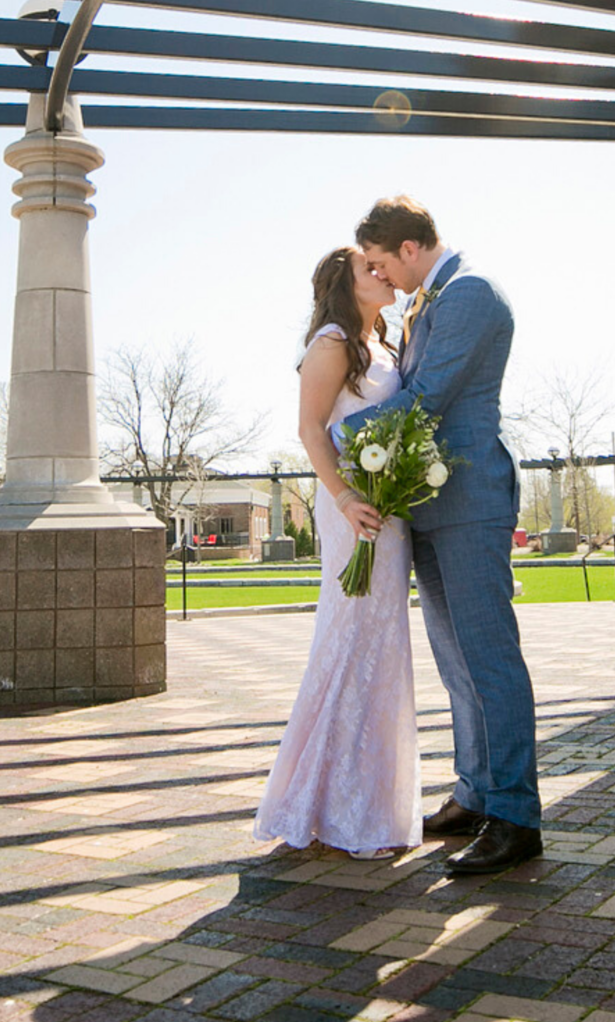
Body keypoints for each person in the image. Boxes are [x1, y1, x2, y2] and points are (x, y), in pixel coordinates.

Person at [342, 195, 541, 874]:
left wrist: (335, 433)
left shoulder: (470, 293)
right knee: (456, 662)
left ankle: (515, 813)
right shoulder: (431, 299)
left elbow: (426, 395)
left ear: (408, 247)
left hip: (472, 500)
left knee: (489, 657)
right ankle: (474, 790)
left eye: (380, 263)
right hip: (431, 503)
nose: (383, 278)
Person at [254, 244, 420, 857]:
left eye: (382, 266)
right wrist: (348, 497)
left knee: (382, 646)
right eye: (368, 270)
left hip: (390, 506)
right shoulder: (331, 341)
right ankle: (340, 807)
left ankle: (363, 800)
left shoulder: (386, 344)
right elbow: (309, 429)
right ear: (343, 287)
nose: (382, 274)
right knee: (351, 642)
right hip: (353, 507)